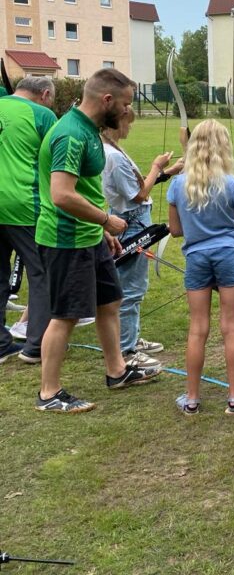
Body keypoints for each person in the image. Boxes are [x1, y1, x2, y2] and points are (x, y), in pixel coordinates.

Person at [35, 70, 162, 412]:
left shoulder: (90, 131)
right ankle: (48, 393)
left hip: (89, 235)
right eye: (125, 104)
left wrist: (100, 231)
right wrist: (106, 220)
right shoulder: (71, 135)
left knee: (110, 302)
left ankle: (117, 371)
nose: (127, 111)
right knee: (65, 315)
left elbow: (84, 191)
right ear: (107, 100)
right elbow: (61, 195)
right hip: (65, 239)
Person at [166, 119, 234, 415]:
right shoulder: (233, 184)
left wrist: (198, 225)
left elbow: (175, 230)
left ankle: (191, 399)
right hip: (228, 255)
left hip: (197, 258)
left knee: (197, 328)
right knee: (231, 325)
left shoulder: (178, 185)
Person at [102, 107, 183, 369]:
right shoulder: (113, 156)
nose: (131, 126)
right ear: (117, 122)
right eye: (128, 122)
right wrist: (157, 166)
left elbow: (137, 188)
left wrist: (168, 172)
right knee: (130, 289)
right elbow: (138, 195)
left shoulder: (113, 150)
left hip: (133, 222)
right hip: (131, 224)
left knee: (134, 286)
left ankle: (131, 339)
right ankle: (126, 350)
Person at [0, 76, 57, 365]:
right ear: (44, 94)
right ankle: (37, 345)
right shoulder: (43, 115)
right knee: (42, 273)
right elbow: (57, 161)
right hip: (24, 204)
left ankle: (2, 344)